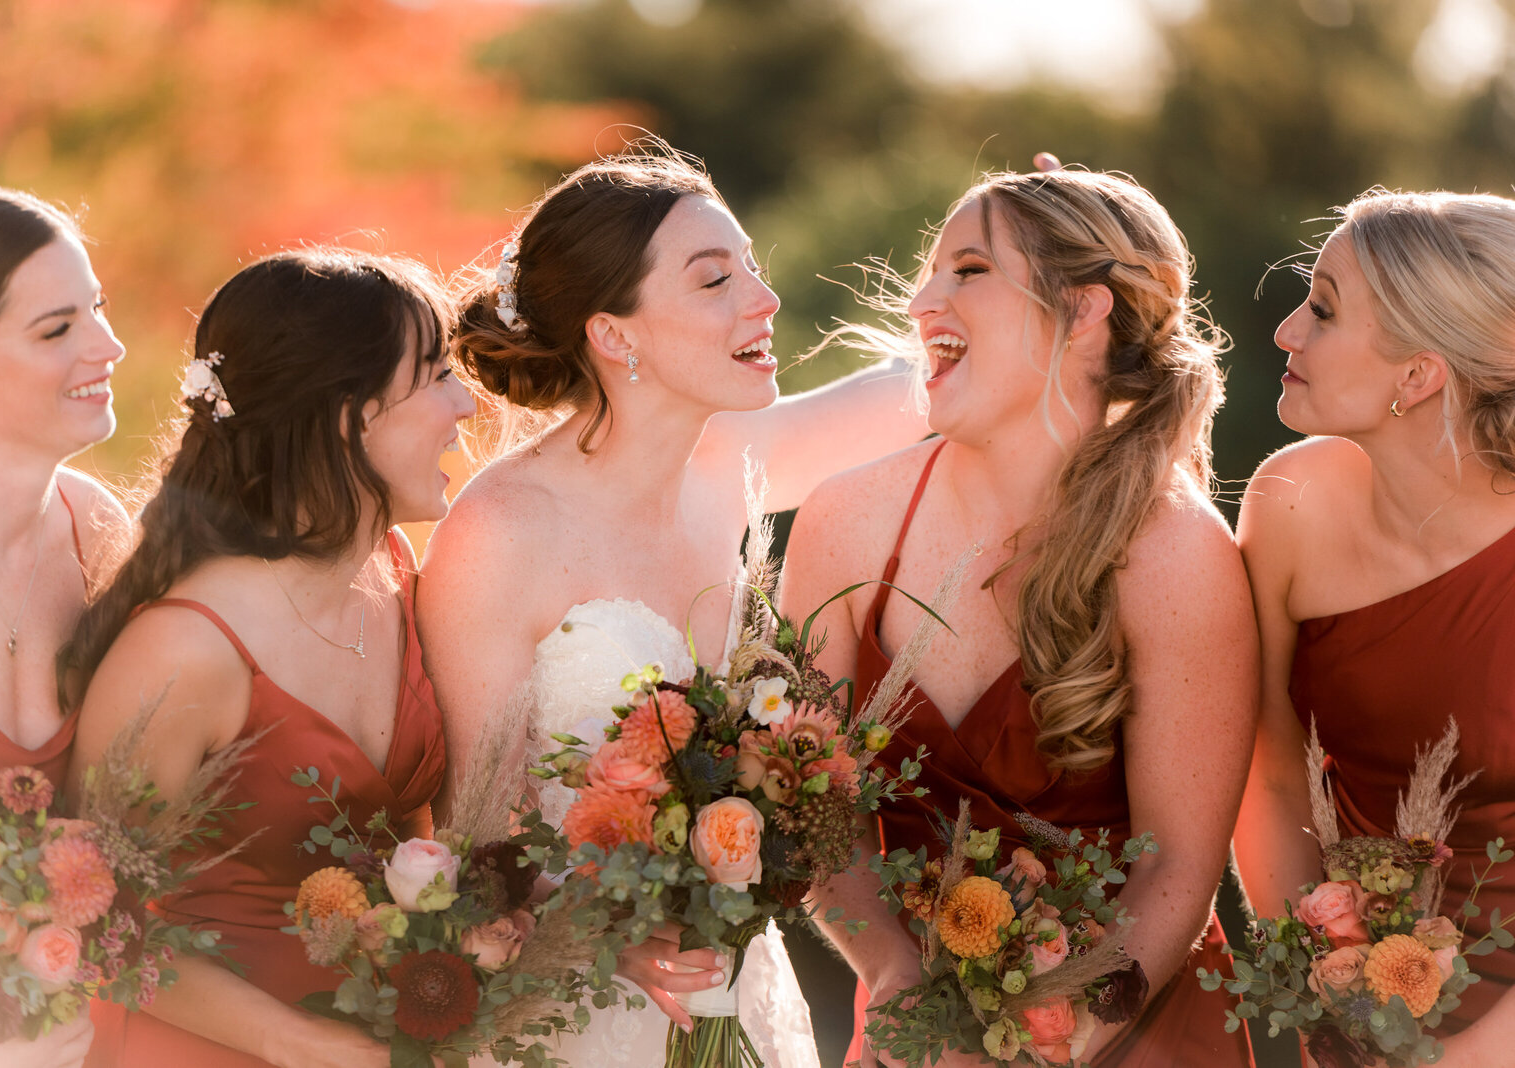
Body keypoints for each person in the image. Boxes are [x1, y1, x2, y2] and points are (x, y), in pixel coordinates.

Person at [418, 148, 930, 1068]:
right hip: (578, 1010)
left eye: (753, 268)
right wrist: (606, 936)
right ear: (617, 336)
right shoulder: (499, 531)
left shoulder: (727, 464)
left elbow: (909, 394)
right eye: (714, 280)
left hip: (742, 988)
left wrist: (1019, 262)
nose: (763, 300)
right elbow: (480, 844)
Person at [780, 165, 1258, 1067]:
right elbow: (817, 811)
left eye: (967, 269)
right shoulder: (842, 522)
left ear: (1083, 312)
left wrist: (1050, 1043)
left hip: (1127, 1021)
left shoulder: (1174, 551)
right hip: (910, 1028)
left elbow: (1178, 871)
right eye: (931, 270)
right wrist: (892, 977)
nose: (922, 299)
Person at [64, 248, 472, 1068]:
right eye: (434, 375)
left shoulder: (400, 573)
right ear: (347, 414)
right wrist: (300, 1042)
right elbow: (92, 919)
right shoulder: (184, 650)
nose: (464, 402)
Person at [1234, 190, 1515, 1065]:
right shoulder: (1289, 505)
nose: (1286, 331)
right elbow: (1270, 780)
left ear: (1417, 375)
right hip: (1365, 1019)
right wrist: (1332, 990)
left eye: (1322, 309)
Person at [0, 185, 130, 1068]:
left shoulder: (103, 530)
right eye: (57, 330)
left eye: (99, 310)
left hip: (98, 1032)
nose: (108, 348)